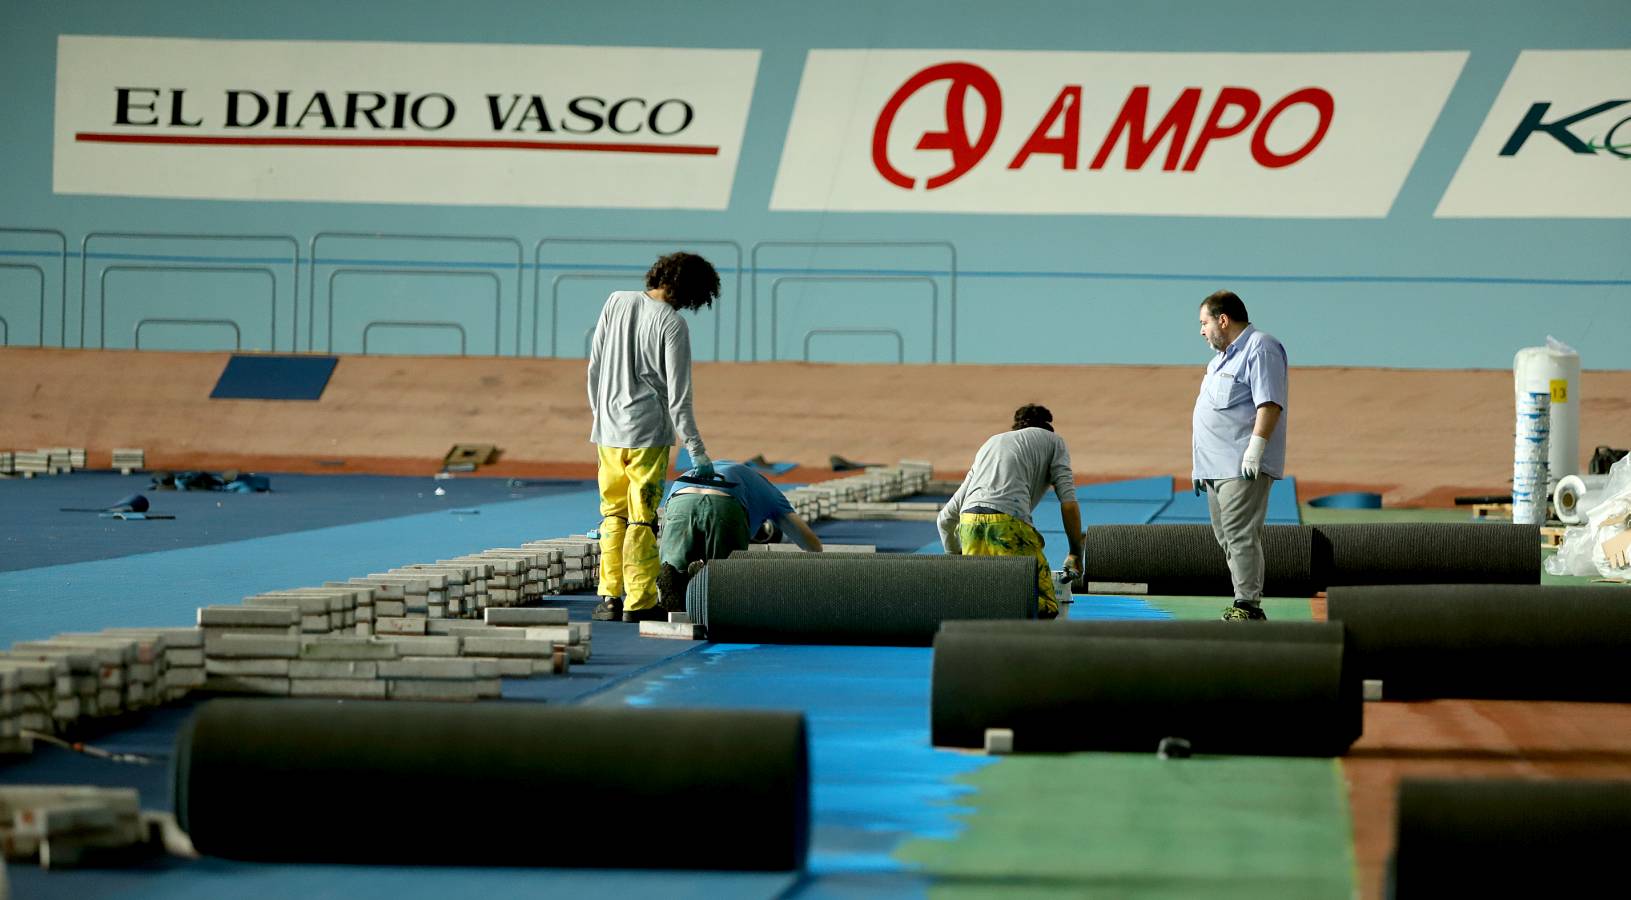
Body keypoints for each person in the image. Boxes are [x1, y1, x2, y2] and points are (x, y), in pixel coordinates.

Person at [587, 251, 720, 623]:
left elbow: (595, 365)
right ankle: (640, 599)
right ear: (694, 292)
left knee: (612, 515)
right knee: (642, 519)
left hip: (608, 432)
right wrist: (697, 451)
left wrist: (600, 414)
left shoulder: (616, 301)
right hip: (648, 432)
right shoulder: (673, 325)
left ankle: (609, 597)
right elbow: (679, 398)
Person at [1192, 290, 1289, 621]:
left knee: (1239, 532)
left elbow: (1269, 402)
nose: (1202, 331)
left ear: (1223, 319)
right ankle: (1245, 601)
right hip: (1215, 468)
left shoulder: (1260, 346)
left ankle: (1248, 604)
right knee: (1226, 537)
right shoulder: (1218, 361)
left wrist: (1255, 449)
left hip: (1240, 465)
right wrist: (1199, 467)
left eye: (1204, 323)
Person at [938, 404, 1082, 619]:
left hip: (968, 524)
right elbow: (1068, 503)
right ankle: (1033, 650)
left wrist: (956, 559)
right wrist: (1075, 553)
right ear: (1046, 427)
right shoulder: (1054, 442)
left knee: (983, 600)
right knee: (1042, 603)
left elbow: (945, 518)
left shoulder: (991, 444)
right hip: (1007, 526)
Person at [654, 460, 824, 608]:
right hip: (725, 503)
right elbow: (810, 543)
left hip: (680, 499)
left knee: (673, 571)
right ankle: (710, 579)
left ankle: (675, 576)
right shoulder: (768, 490)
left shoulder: (699, 470)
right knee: (725, 584)